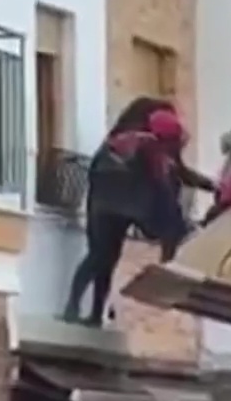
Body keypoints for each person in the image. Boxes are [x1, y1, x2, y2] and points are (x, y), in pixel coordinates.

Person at [62, 100, 216, 327]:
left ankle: (82, 310)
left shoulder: (126, 142)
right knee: (103, 258)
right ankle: (85, 311)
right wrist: (173, 227)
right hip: (118, 207)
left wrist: (208, 185)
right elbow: (166, 183)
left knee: (101, 258)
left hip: (107, 207)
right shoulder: (146, 147)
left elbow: (176, 171)